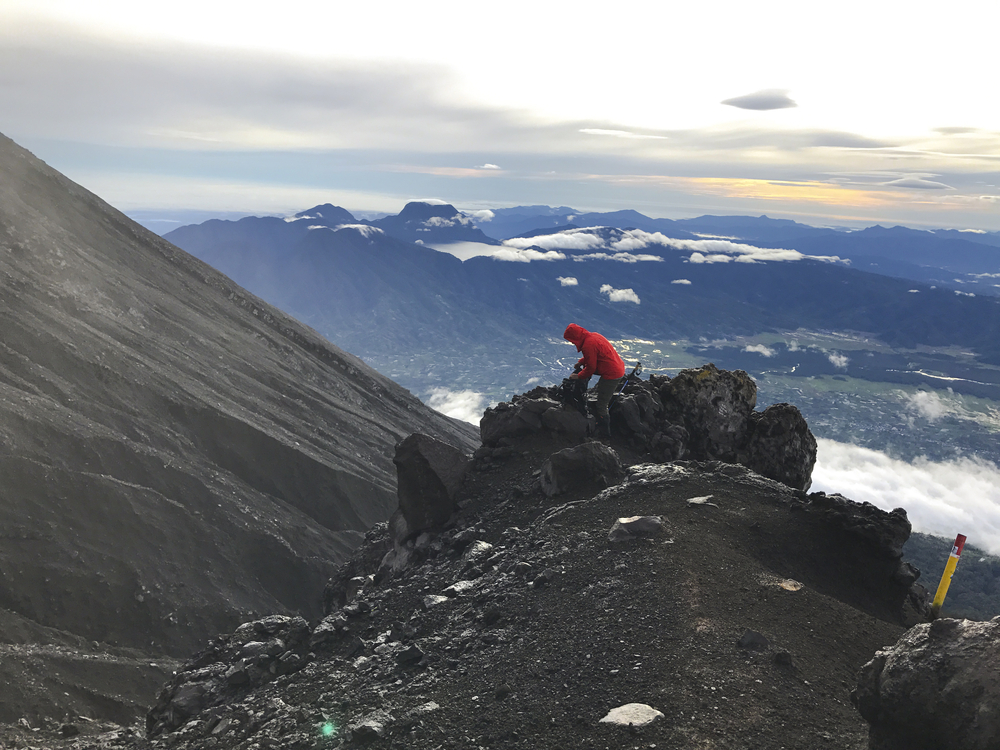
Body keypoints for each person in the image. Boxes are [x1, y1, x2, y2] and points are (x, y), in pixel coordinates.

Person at [563, 323, 625, 439]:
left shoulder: (588, 345)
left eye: (571, 340)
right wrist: (582, 362)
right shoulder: (593, 336)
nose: (572, 342)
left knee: (601, 405)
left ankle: (605, 436)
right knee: (584, 371)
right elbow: (593, 356)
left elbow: (591, 368)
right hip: (616, 367)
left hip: (612, 374)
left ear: (575, 337)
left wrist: (579, 376)